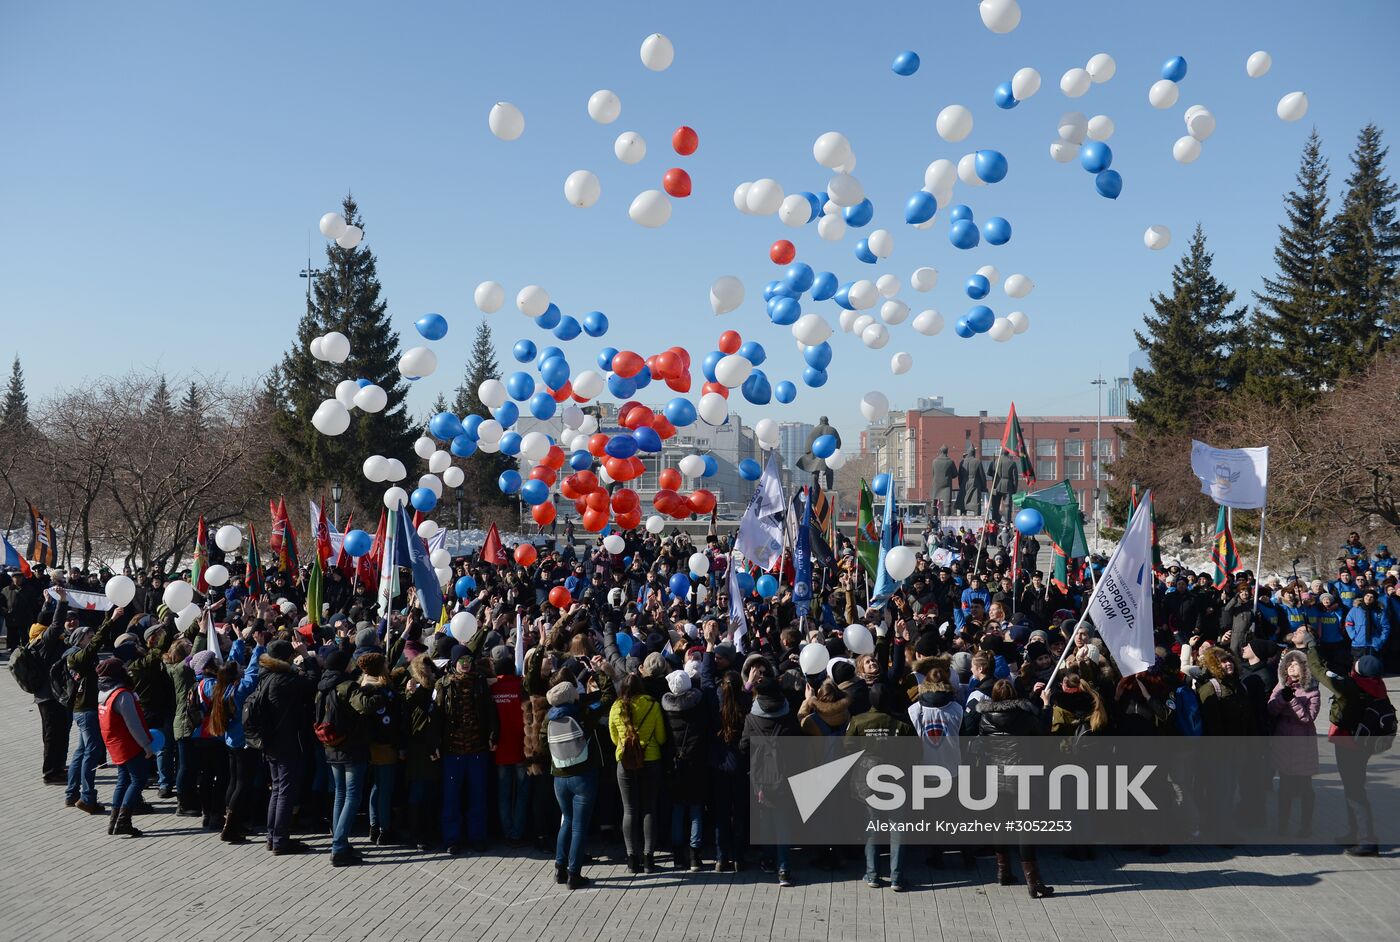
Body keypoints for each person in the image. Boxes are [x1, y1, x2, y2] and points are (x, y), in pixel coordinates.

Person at [1303, 630, 1389, 856]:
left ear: (1359, 671)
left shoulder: (1352, 687)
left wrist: (1311, 647)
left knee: (1354, 791)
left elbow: (1321, 673)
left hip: (1349, 743)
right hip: (1364, 744)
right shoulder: (1377, 685)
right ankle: (1354, 833)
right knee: (1355, 787)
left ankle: (1367, 839)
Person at [973, 679, 1054, 897]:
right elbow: (1044, 735)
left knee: (1000, 825)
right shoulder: (1025, 716)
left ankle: (1003, 872)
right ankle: (1033, 881)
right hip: (1022, 776)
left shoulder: (985, 718)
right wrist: (1046, 706)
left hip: (996, 777)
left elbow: (982, 745)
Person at [543, 665, 613, 889]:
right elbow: (607, 696)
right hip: (583, 774)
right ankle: (574, 874)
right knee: (579, 827)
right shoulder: (584, 713)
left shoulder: (549, 717)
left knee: (567, 821)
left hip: (559, 775)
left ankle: (559, 868)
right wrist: (600, 672)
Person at [204, 631, 265, 843]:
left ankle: (229, 819)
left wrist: (239, 641)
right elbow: (253, 672)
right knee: (243, 784)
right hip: (243, 743)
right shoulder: (240, 691)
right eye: (239, 668)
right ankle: (232, 825)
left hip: (231, 741)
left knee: (234, 781)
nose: (241, 667)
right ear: (236, 675)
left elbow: (230, 664)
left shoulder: (220, 688)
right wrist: (258, 646)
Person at [436, 644, 497, 855]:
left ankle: (477, 836)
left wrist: (492, 735)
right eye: (462, 661)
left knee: (477, 796)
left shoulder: (480, 683)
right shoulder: (443, 685)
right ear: (454, 662)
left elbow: (490, 712)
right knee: (451, 797)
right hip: (453, 749)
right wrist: (436, 744)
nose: (466, 664)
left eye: (469, 661)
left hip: (477, 748)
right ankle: (452, 838)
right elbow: (437, 717)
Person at [256, 638, 315, 854]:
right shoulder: (284, 679)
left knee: (278, 789)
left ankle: (272, 836)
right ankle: (280, 839)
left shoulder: (265, 675)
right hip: (287, 741)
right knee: (285, 792)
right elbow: (311, 683)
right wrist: (307, 657)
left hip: (271, 740)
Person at [64, 606, 125, 814]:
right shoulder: (76, 657)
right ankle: (87, 797)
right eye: (89, 636)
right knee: (92, 751)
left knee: (82, 751)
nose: (92, 639)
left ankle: (72, 793)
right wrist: (111, 620)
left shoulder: (81, 656)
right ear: (80, 639)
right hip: (86, 711)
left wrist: (110, 616)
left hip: (84, 709)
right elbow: (95, 645)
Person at [740, 674, 799, 887]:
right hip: (784, 776)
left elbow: (744, 747)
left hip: (760, 779)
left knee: (764, 820)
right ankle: (784, 868)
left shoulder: (751, 718)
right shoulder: (788, 716)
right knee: (783, 822)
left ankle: (767, 859)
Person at [610, 670, 667, 874]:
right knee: (649, 808)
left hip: (624, 761)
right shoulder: (652, 704)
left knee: (629, 809)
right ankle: (649, 858)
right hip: (651, 759)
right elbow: (661, 737)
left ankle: (631, 858)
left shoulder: (616, 706)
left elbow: (614, 738)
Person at [96, 657, 154, 837]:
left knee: (123, 781)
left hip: (115, 744)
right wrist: (146, 745)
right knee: (138, 780)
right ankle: (123, 821)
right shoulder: (122, 695)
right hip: (128, 744)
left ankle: (113, 821)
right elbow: (133, 724)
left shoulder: (104, 693)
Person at [661, 668, 711, 871]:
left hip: (675, 765)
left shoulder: (665, 711)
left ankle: (677, 855)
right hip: (696, 763)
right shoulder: (699, 706)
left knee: (678, 809)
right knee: (696, 809)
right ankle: (695, 855)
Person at [1268, 648, 1320, 837]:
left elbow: (1308, 718)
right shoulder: (1281, 685)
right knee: (1284, 786)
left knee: (1305, 787)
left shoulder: (1312, 689)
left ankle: (1305, 826)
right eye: (1288, 664)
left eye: (1295, 663)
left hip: (1302, 742)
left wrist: (1293, 702)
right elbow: (1271, 709)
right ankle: (1282, 825)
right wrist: (1283, 698)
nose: (1290, 667)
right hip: (1283, 739)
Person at [488, 645, 528, 844]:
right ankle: (518, 832)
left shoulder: (492, 689)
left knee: (503, 794)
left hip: (500, 750)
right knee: (521, 793)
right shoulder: (521, 687)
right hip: (521, 748)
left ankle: (507, 832)